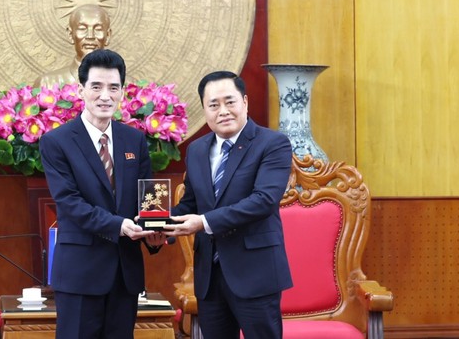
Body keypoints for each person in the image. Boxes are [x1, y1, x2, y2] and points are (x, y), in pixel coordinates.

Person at [39, 49, 165, 339]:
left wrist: (156, 233)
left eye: (113, 88)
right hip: (80, 273)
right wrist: (118, 226)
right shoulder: (56, 142)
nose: (105, 96)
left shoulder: (134, 139)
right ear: (81, 89)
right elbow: (69, 203)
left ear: (122, 92)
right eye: (96, 87)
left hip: (125, 273)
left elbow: (148, 198)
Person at [164, 70, 293, 339]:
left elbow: (264, 201)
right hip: (209, 277)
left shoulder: (272, 144)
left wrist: (204, 222)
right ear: (204, 109)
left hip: (255, 273)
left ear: (245, 102)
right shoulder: (197, 150)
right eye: (213, 105)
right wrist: (159, 226)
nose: (222, 111)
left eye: (229, 101)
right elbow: (190, 203)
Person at [36, 4, 111, 88]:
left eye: (98, 29)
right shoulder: (47, 83)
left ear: (107, 35)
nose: (90, 36)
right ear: (70, 34)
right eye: (82, 28)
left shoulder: (125, 86)